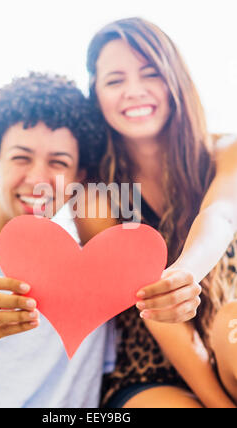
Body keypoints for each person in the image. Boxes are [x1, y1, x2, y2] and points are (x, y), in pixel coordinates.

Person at [74, 17, 237, 407]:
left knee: (230, 324)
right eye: (115, 81)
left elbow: (220, 215)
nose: (134, 91)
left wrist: (183, 275)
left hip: (227, 334)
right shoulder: (95, 197)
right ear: (96, 94)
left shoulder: (226, 152)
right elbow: (159, 317)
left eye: (150, 74)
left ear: (174, 79)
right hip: (152, 371)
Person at [0, 72, 115, 408]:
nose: (37, 179)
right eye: (21, 158)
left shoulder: (98, 274)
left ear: (78, 178)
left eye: (58, 163)